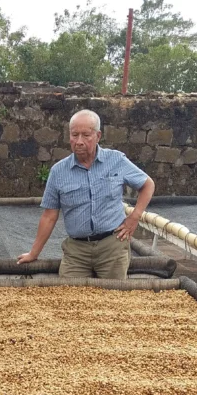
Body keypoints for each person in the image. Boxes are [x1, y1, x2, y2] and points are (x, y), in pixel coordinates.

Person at [17, 110, 155, 279]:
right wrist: (34, 253)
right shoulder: (58, 171)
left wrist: (135, 217)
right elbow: (49, 216)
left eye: (86, 135)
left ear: (98, 136)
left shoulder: (116, 160)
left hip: (112, 245)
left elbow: (147, 184)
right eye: (74, 135)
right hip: (77, 250)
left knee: (114, 300)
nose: (79, 141)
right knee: (71, 298)